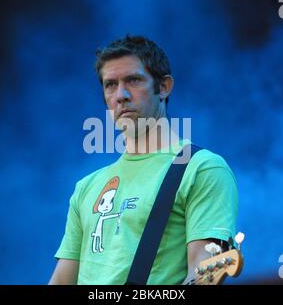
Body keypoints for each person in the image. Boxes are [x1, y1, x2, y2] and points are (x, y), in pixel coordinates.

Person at [49, 35, 239, 285]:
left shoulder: (200, 168)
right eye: (110, 85)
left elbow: (201, 275)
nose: (121, 95)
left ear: (164, 87)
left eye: (133, 80)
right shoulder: (86, 188)